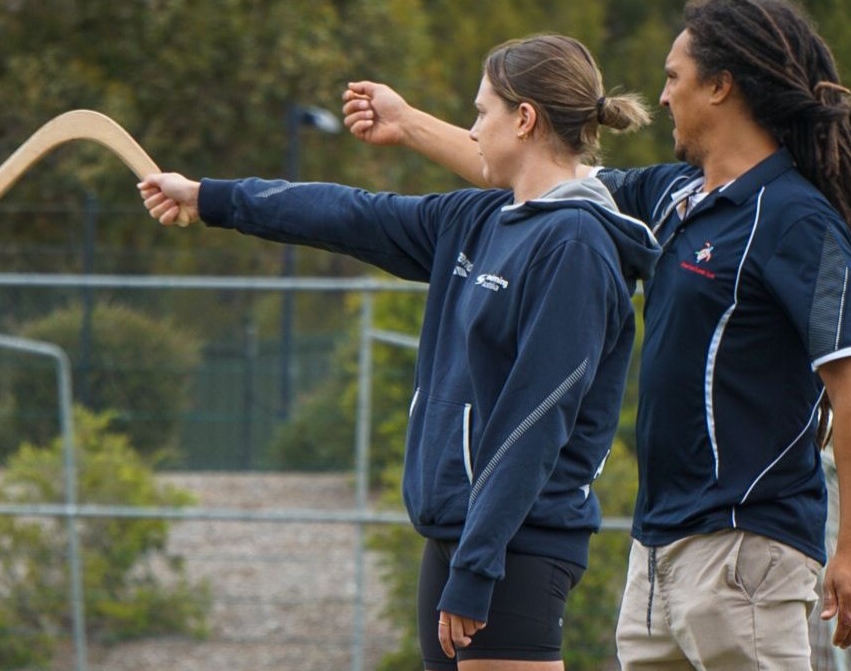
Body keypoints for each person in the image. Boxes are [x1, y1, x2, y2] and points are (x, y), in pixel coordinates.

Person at [340, 0, 851, 670]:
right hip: (657, 548)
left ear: (722, 86)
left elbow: (849, 383)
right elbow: (533, 173)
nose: (663, 97)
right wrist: (408, 125)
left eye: (675, 78)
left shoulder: (799, 222)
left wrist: (850, 544)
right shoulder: (672, 197)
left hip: (746, 549)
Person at [141, 34, 660, 670]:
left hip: (514, 550)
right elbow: (348, 213)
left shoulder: (575, 246)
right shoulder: (480, 218)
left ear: (524, 119)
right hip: (455, 537)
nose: (471, 131)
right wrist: (210, 197)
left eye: (480, 113)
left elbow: (535, 421)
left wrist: (476, 567)